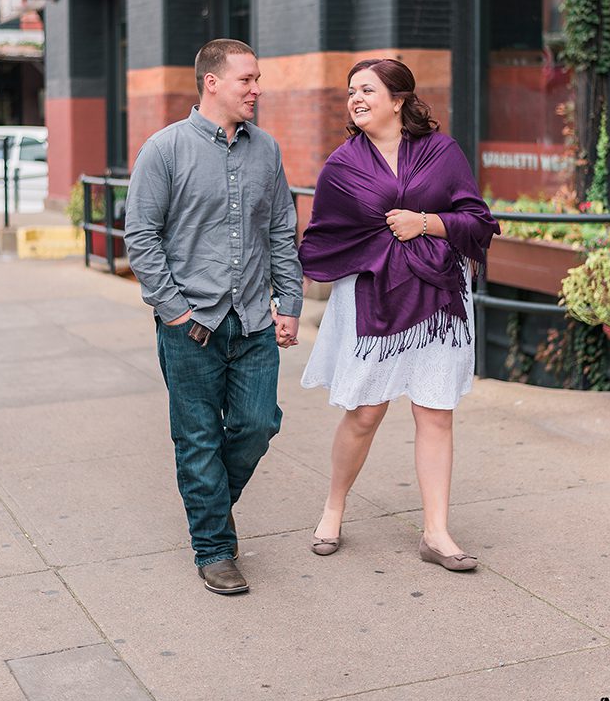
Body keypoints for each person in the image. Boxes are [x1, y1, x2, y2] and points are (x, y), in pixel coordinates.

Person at [297, 58, 498, 571]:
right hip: (373, 301)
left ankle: (437, 533)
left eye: (366, 90)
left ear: (398, 98)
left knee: (435, 411)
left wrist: (425, 223)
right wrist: (373, 251)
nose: (355, 99)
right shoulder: (342, 166)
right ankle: (333, 508)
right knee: (365, 413)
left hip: (439, 301)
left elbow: (477, 219)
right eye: (350, 92)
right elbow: (323, 240)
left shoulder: (441, 151)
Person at [126, 39, 303, 596]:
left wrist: (290, 303)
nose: (257, 89)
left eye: (257, 80)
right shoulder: (164, 149)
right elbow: (141, 237)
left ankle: (209, 507)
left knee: (258, 424)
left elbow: (280, 231)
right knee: (197, 438)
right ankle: (215, 548)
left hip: (252, 319)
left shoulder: (266, 150)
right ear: (212, 82)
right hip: (191, 325)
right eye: (247, 80)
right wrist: (174, 312)